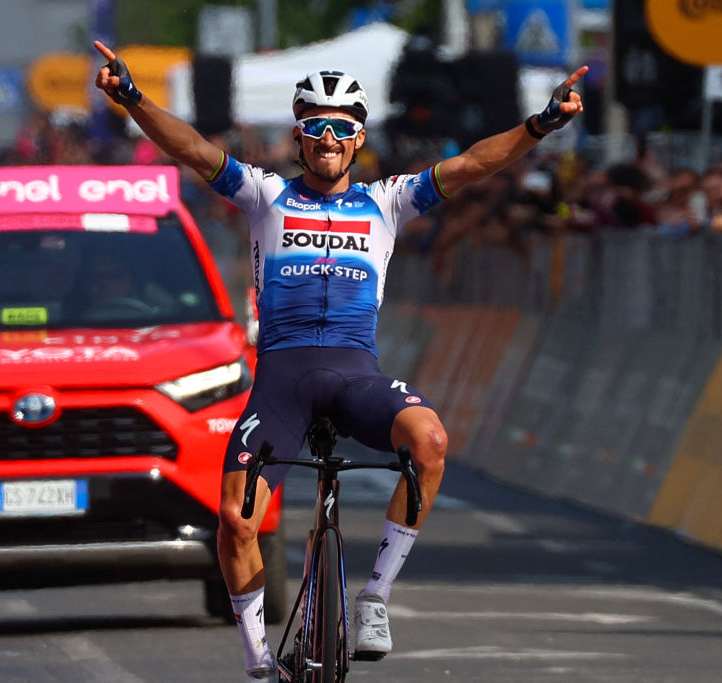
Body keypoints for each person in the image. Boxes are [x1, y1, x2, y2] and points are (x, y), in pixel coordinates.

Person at [94, 40, 586, 682]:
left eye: (342, 128)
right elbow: (190, 148)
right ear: (299, 137)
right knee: (235, 520)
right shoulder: (265, 194)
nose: (328, 137)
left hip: (357, 375)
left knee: (430, 442)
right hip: (283, 383)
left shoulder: (388, 200)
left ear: (358, 140)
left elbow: (470, 165)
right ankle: (258, 661)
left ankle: (375, 596)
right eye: (315, 127)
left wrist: (541, 124)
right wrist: (131, 98)